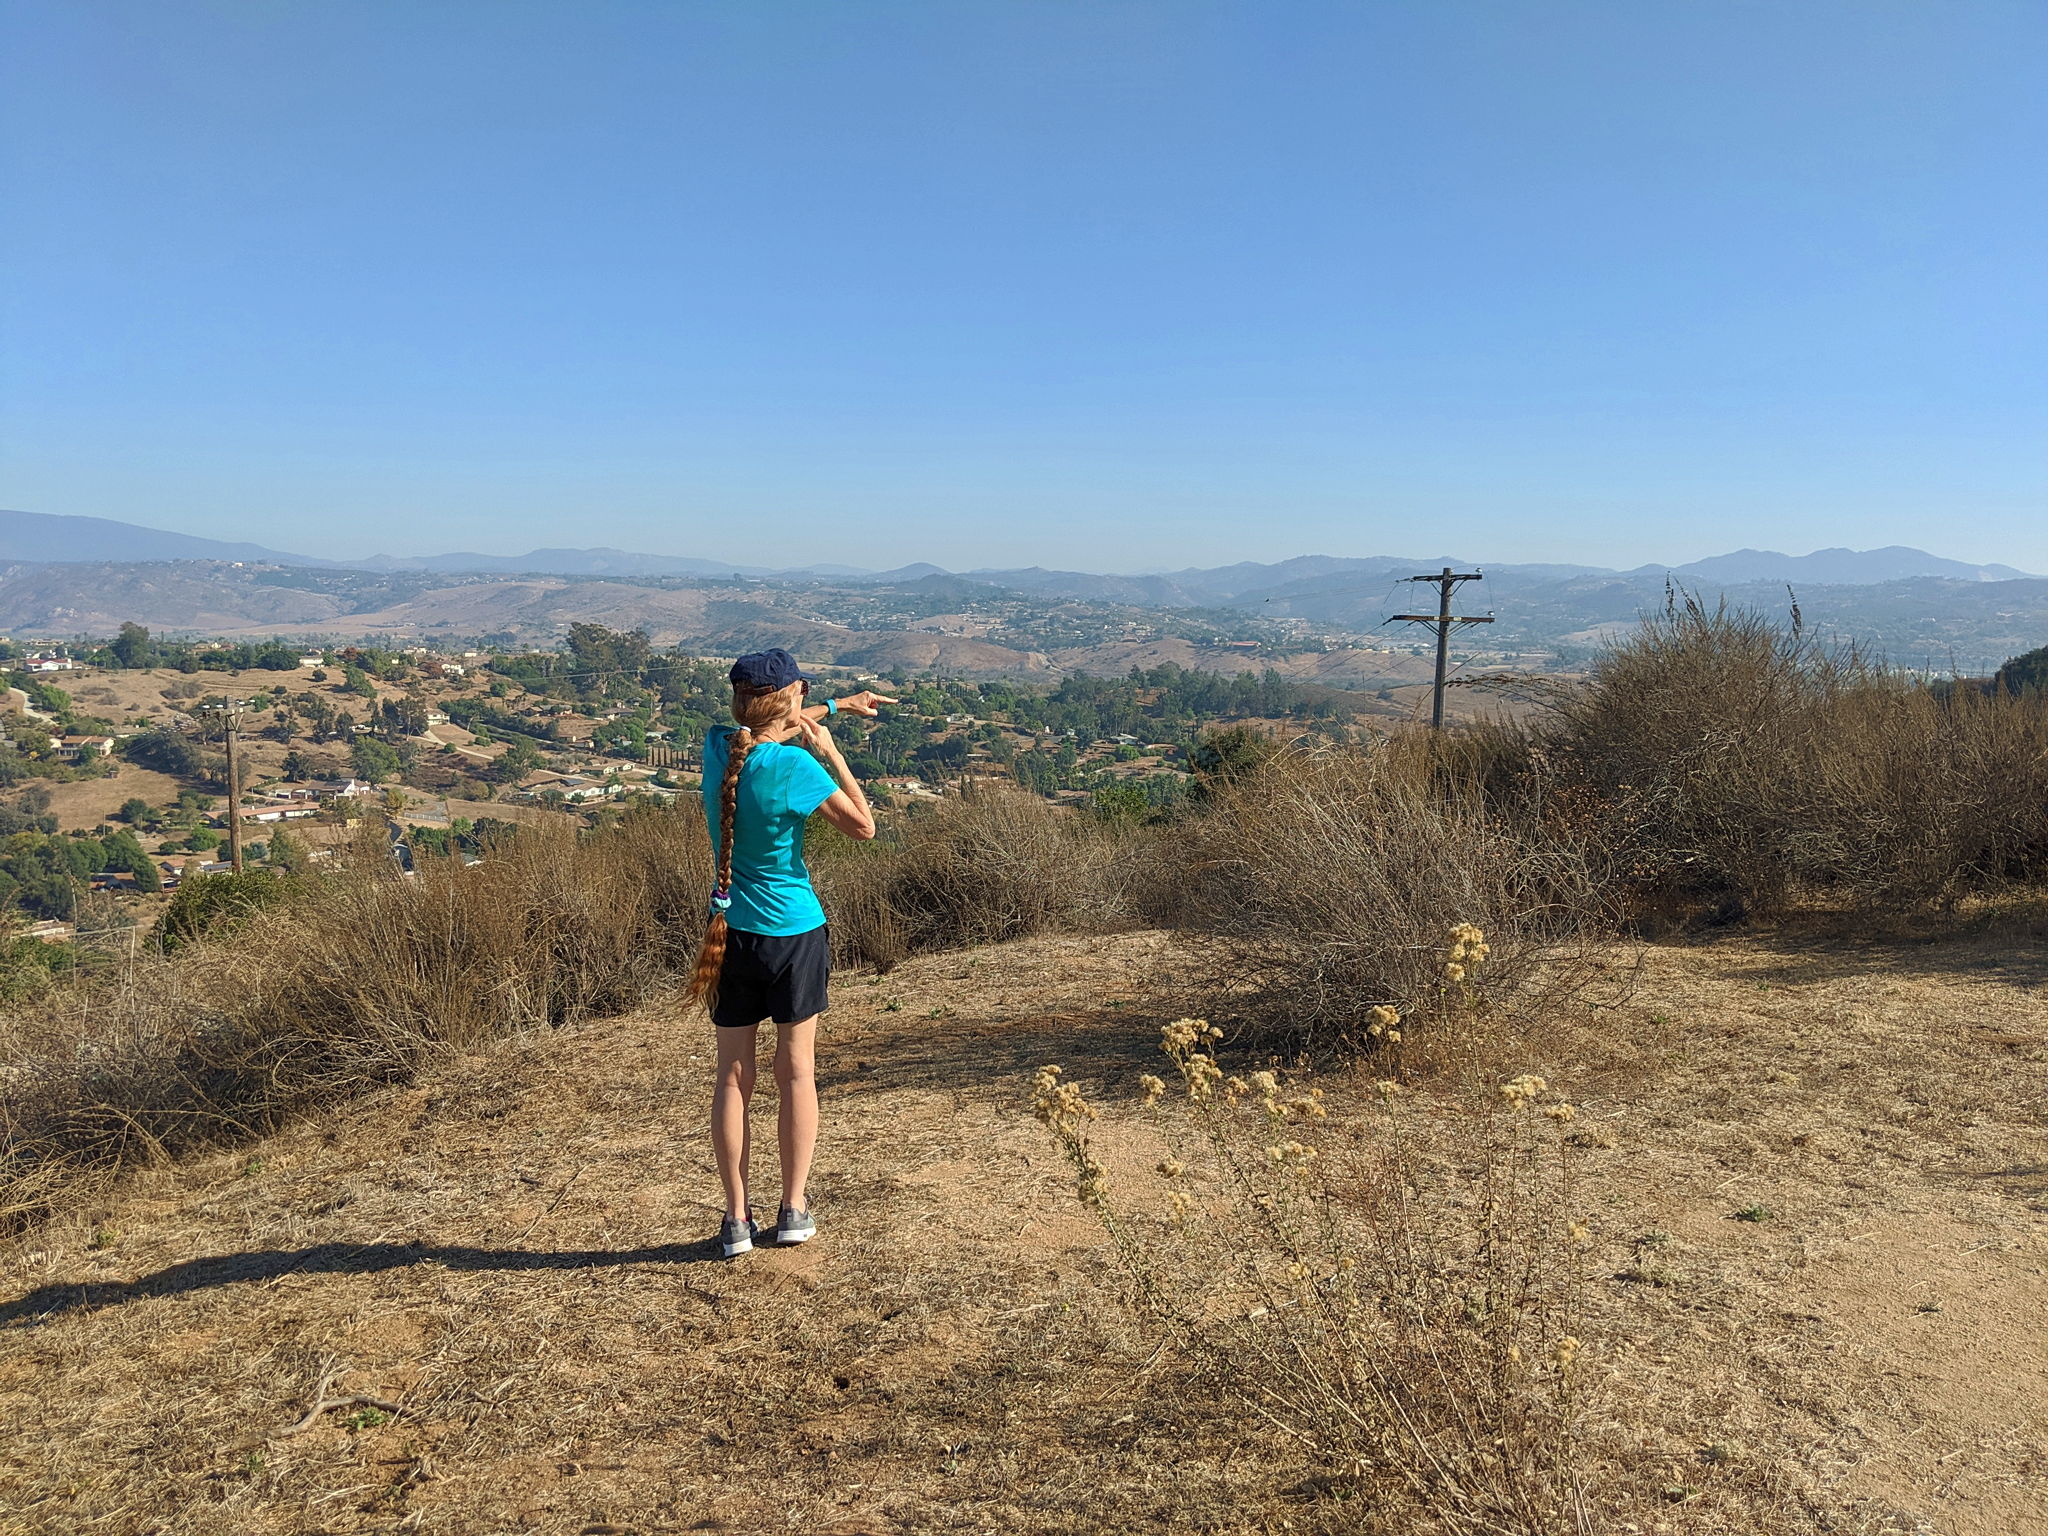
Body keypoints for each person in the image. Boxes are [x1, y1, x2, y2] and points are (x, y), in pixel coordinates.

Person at [686, 649, 894, 1257]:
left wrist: (839, 704)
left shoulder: (718, 748)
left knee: (732, 1075)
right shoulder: (798, 768)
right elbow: (863, 827)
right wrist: (832, 750)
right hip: (794, 934)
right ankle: (794, 1209)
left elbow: (763, 722)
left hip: (730, 931)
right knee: (796, 1071)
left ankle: (734, 1222)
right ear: (793, 698)